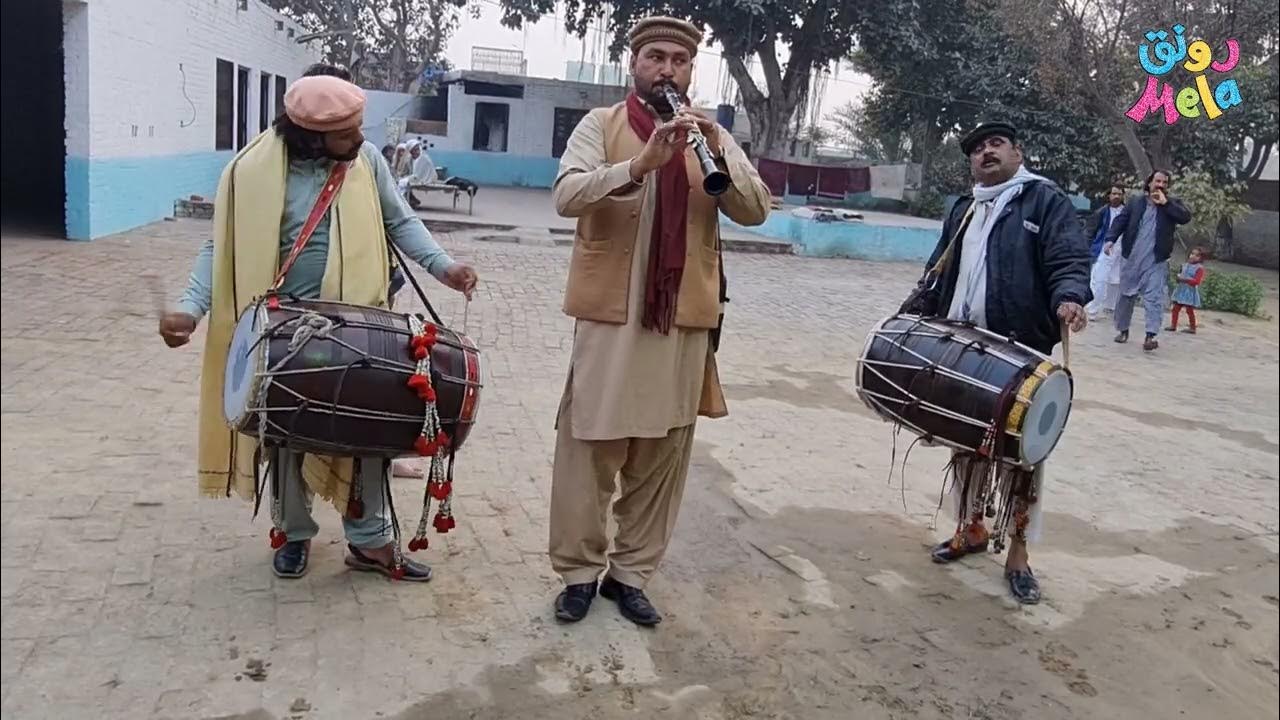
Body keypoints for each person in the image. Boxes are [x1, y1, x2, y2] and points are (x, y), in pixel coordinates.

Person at [158, 74, 478, 582]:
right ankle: (293, 533)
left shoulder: (365, 160)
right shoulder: (252, 171)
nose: (359, 139)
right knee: (287, 433)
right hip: (287, 330)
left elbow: (400, 221)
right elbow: (222, 246)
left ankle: (370, 541)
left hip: (362, 323)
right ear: (310, 135)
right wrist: (189, 309)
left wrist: (444, 266)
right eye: (347, 132)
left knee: (369, 428)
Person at [547, 16, 770, 626]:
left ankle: (630, 575)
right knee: (590, 447)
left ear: (690, 71)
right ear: (634, 65)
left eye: (678, 59)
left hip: (682, 321)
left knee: (661, 451)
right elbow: (567, 196)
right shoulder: (602, 125)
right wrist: (639, 165)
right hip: (611, 319)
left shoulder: (711, 136)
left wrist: (717, 146)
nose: (667, 69)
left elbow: (754, 211)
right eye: (655, 58)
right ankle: (578, 574)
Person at [917, 121, 1091, 605]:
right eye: (976, 148)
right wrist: (917, 313)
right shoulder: (965, 207)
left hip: (1020, 351)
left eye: (995, 144)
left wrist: (1071, 297)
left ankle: (1018, 555)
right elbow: (940, 267)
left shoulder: (1044, 200)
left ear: (1018, 150)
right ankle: (969, 527)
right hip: (964, 343)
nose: (985, 153)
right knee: (965, 443)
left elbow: (1069, 258)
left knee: (1023, 456)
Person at [1104, 169, 1193, 351]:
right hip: (1132, 258)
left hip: (1156, 261)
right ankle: (1123, 330)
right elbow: (1121, 221)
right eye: (1157, 181)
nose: (1160, 185)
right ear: (1150, 182)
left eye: (1164, 183)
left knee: (1154, 298)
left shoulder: (1172, 205)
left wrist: (1166, 204)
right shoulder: (1136, 202)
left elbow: (1185, 217)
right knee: (1126, 296)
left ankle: (1150, 336)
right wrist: (1110, 239)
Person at [1085, 184, 1127, 319]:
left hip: (1122, 250)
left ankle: (1110, 307)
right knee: (1100, 279)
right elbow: (1091, 231)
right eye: (1114, 194)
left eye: (1119, 194)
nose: (1116, 196)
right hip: (1105, 248)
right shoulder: (1102, 212)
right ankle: (1092, 309)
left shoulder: (1127, 212)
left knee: (1116, 280)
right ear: (1109, 196)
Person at [1168, 246, 1206, 333]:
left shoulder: (1199, 268)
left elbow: (1196, 281)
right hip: (1181, 290)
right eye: (1192, 254)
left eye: (1197, 255)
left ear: (1200, 258)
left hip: (1189, 291)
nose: (1193, 256)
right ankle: (1173, 325)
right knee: (1175, 308)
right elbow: (1180, 274)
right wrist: (1178, 278)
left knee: (1189, 310)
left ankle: (1193, 327)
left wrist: (1184, 280)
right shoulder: (1184, 265)